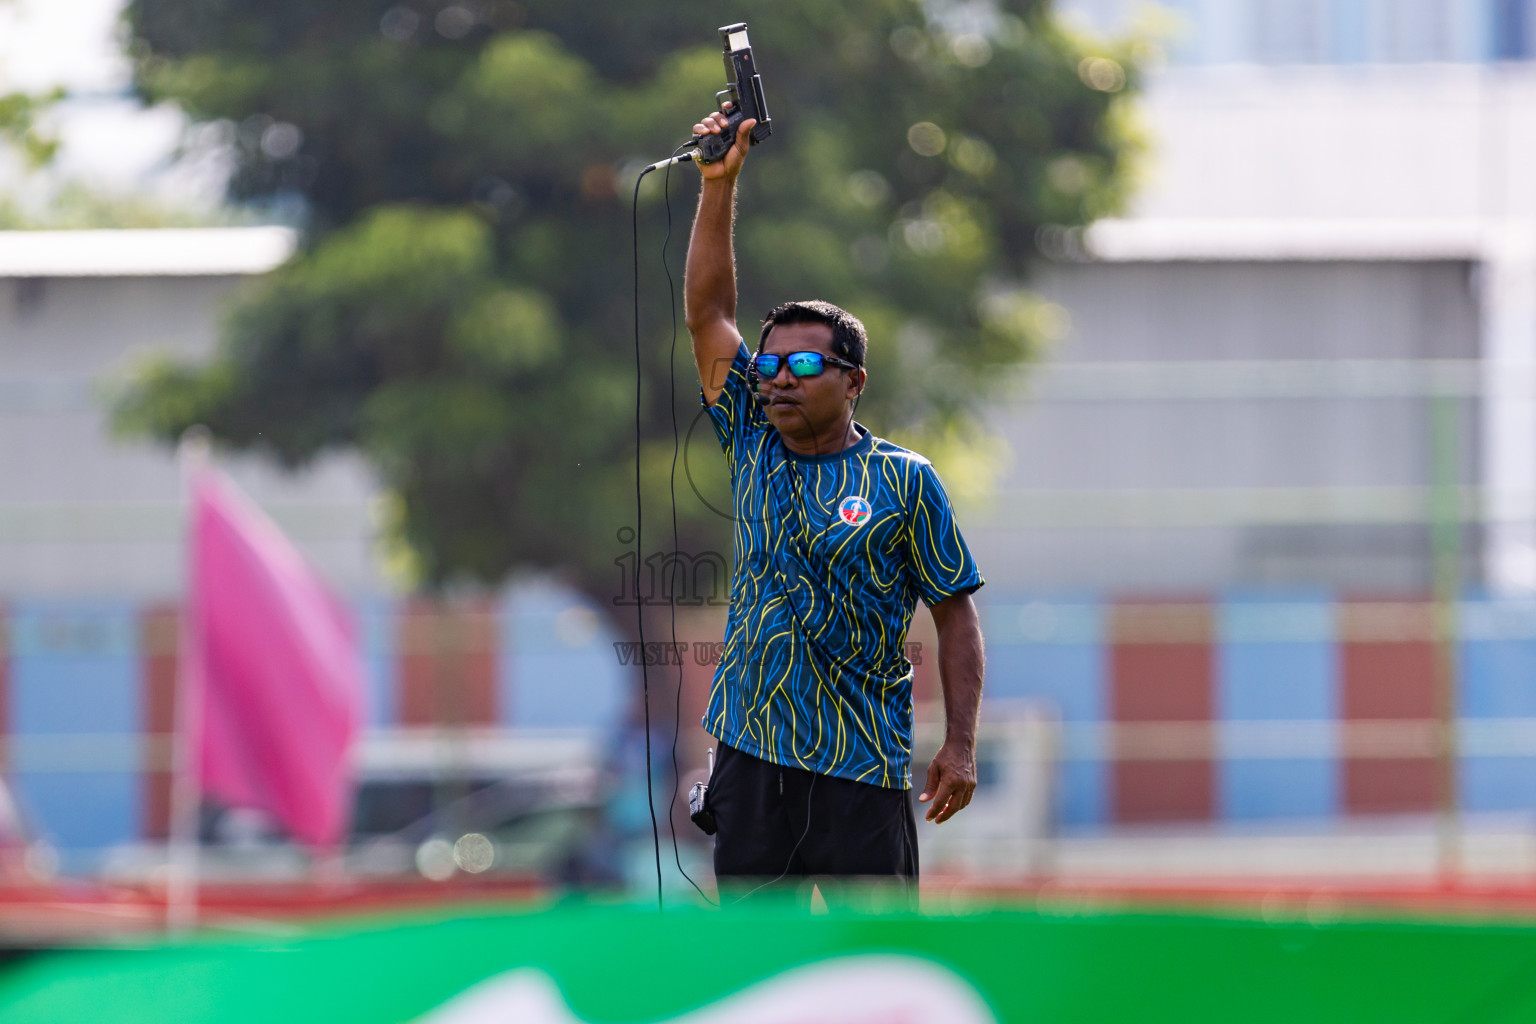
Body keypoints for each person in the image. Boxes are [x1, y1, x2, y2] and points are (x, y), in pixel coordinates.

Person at [683, 106, 987, 902]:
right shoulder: (749, 435)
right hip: (751, 757)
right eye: (770, 362)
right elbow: (710, 314)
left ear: (853, 380)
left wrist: (959, 746)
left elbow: (955, 614)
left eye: (805, 362)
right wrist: (720, 184)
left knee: (874, 960)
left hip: (862, 765)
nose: (778, 376)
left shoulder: (904, 480)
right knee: (755, 974)